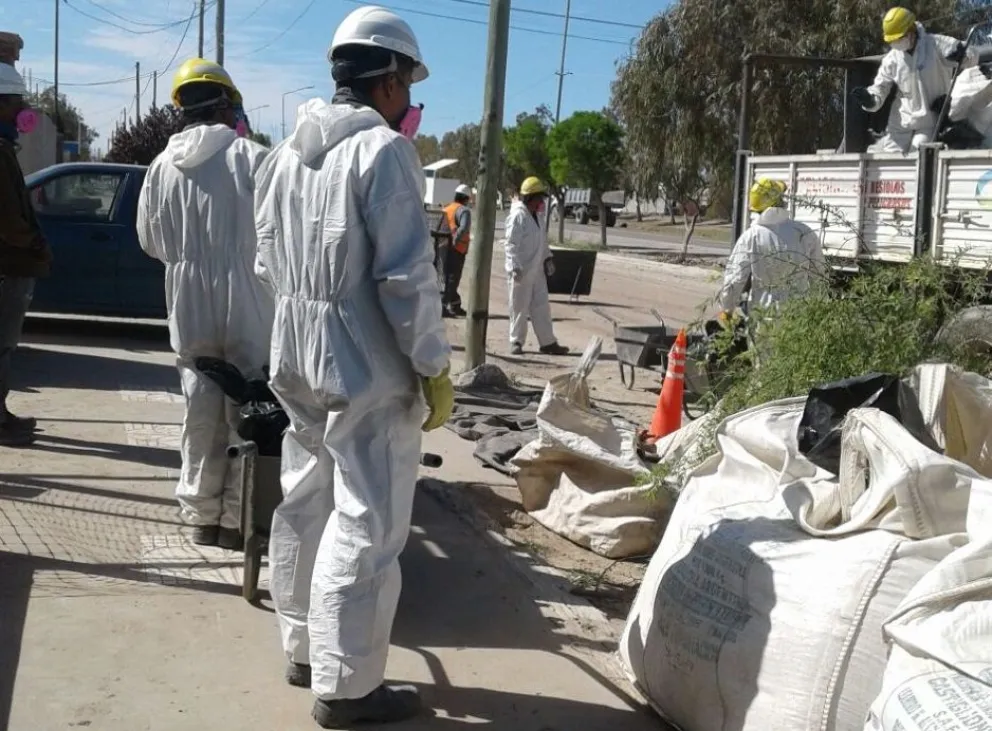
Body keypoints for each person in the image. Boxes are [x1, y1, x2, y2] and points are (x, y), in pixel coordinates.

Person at [253, 6, 454, 727]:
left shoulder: (286, 154)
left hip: (296, 350)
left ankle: (304, 648)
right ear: (390, 80)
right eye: (409, 83)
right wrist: (432, 364)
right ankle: (347, 687)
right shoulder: (384, 153)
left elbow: (264, 260)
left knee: (305, 498)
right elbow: (407, 279)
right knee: (366, 520)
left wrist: (302, 321)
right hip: (364, 360)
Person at [136, 58, 272, 550]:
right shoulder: (252, 159)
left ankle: (199, 515)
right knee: (250, 407)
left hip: (188, 298)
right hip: (248, 298)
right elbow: (276, 239)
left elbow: (149, 241)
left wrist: (189, 257)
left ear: (181, 111)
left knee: (200, 407)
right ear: (229, 103)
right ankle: (238, 520)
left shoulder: (159, 168)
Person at [0, 62, 49, 446]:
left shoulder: (4, 150)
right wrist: (33, 244)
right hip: (7, 266)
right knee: (1, 344)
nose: (22, 113)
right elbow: (7, 216)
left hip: (10, 264)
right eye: (16, 103)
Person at [852, 7, 975, 153]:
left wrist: (963, 55)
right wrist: (870, 100)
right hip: (900, 122)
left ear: (911, 31)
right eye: (893, 40)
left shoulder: (936, 44)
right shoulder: (892, 59)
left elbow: (971, 55)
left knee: (919, 155)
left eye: (899, 38)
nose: (896, 43)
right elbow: (880, 88)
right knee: (889, 160)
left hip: (929, 120)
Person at [718, 177, 825, 319]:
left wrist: (727, 309)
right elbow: (819, 275)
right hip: (798, 318)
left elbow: (735, 279)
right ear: (780, 201)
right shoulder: (804, 232)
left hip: (763, 315)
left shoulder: (751, 237)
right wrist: (821, 309)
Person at [504, 177, 568, 356]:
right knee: (519, 308)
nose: (542, 202)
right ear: (530, 198)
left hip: (537, 271)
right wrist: (514, 266)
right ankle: (516, 341)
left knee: (541, 307)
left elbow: (542, 241)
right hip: (521, 272)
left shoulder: (537, 217)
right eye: (539, 198)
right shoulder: (518, 216)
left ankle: (547, 342)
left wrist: (548, 258)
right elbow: (510, 244)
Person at [438, 183, 472, 317]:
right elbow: (463, 228)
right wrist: (456, 240)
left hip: (442, 247)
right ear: (466, 198)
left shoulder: (447, 208)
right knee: (453, 279)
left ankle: (455, 305)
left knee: (445, 277)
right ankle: (443, 305)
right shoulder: (464, 211)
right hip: (456, 248)